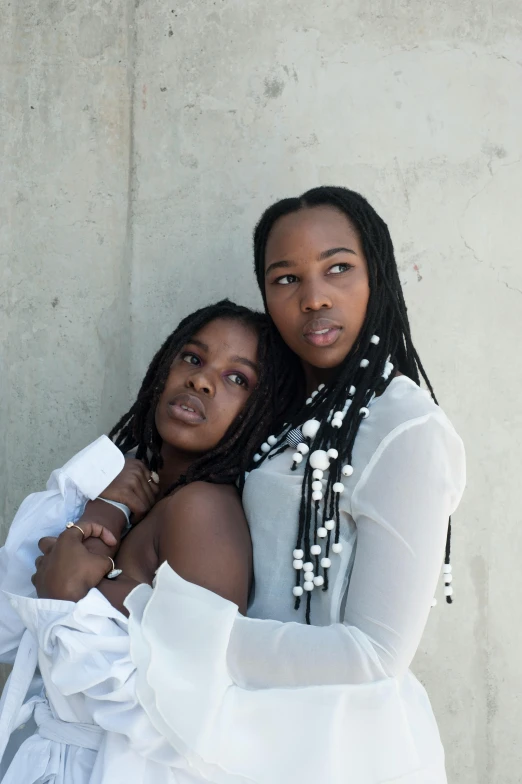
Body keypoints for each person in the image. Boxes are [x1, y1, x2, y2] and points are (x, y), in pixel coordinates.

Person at [8, 186, 466, 784]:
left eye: (338, 269)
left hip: (328, 745)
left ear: (377, 272)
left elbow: (373, 655)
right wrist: (117, 502)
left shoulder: (404, 429)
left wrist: (138, 610)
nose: (314, 298)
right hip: (234, 729)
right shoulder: (292, 412)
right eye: (285, 279)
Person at [0, 299, 296, 783]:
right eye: (193, 359)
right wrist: (103, 503)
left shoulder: (203, 511)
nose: (201, 381)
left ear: (263, 413)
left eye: (237, 379)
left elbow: (189, 720)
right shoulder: (132, 491)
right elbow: (6, 629)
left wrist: (66, 599)